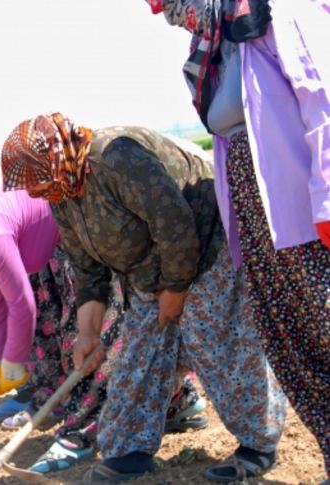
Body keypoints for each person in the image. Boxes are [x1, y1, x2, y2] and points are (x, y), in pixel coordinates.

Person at [1, 113, 286, 482]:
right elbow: (88, 270)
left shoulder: (116, 158)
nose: (36, 192)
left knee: (216, 343)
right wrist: (87, 334)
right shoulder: (63, 194)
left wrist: (176, 291)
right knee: (136, 359)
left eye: (38, 180)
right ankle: (129, 453)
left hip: (205, 245)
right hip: (146, 273)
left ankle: (257, 445)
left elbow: (176, 225)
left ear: (56, 157)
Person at [143, 1, 330, 478]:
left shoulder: (271, 14)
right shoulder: (216, 44)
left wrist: (326, 200)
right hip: (257, 213)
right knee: (290, 338)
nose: (174, 14)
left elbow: (320, 99)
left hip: (304, 214)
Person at [0, 186, 206, 474]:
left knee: (85, 340)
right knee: (77, 338)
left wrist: (13, 364)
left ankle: (81, 435)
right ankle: (177, 402)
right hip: (63, 250)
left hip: (83, 245)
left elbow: (22, 305)